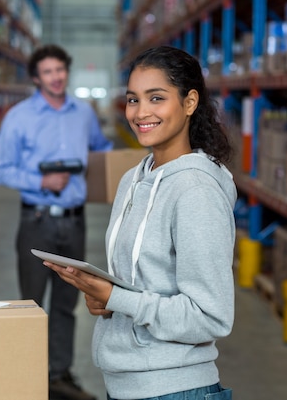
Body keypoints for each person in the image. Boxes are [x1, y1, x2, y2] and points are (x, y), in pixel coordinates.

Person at [44, 45, 236, 400]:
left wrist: (120, 298)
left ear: (190, 102)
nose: (141, 112)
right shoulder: (134, 178)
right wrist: (107, 298)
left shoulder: (196, 190)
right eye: (133, 100)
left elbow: (211, 316)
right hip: (125, 385)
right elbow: (144, 285)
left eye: (157, 98)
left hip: (175, 389)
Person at [0, 44, 112, 400]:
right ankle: (27, 376)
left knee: (66, 304)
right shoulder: (19, 116)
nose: (56, 77)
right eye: (48, 72)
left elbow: (101, 149)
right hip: (36, 220)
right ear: (36, 78)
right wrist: (39, 181)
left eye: (60, 70)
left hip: (74, 222)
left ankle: (60, 374)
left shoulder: (84, 113)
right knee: (32, 302)